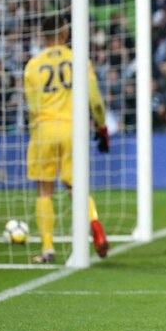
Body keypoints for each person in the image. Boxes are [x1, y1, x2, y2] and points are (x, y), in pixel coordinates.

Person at [24, 16, 111, 263]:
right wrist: (102, 127)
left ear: (43, 37)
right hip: (73, 128)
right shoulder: (79, 60)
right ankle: (95, 226)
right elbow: (94, 100)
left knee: (44, 190)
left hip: (43, 129)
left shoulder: (32, 65)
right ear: (64, 35)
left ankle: (48, 248)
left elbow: (31, 108)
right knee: (76, 186)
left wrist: (35, 133)